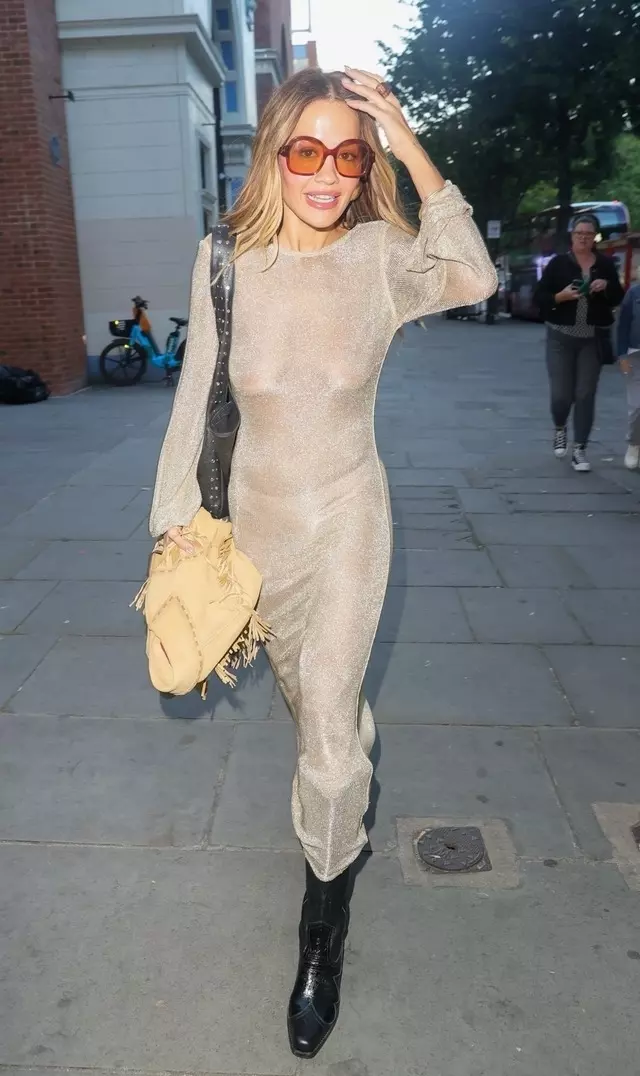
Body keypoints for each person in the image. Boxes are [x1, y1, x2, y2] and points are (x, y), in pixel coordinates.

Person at [149, 67, 496, 1059]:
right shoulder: (226, 259)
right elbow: (197, 395)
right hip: (255, 537)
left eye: (349, 153)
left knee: (332, 739)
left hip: (347, 522)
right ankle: (338, 797)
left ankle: (322, 928)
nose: (329, 173)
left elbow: (473, 274)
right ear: (274, 154)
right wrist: (173, 524)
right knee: (318, 713)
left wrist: (406, 138)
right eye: (308, 150)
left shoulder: (381, 257)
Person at [534, 213, 624, 472]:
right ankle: (560, 427)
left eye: (588, 234)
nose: (583, 238)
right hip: (560, 338)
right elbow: (539, 298)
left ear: (595, 237)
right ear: (572, 236)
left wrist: (606, 286)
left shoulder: (605, 264)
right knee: (561, 395)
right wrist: (559, 297)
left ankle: (580, 449)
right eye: (579, 234)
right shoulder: (558, 264)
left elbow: (618, 297)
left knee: (585, 394)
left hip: (591, 340)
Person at [617, 278, 640, 469]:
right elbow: (622, 327)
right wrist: (622, 356)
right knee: (637, 405)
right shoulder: (634, 294)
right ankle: (634, 443)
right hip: (635, 355)